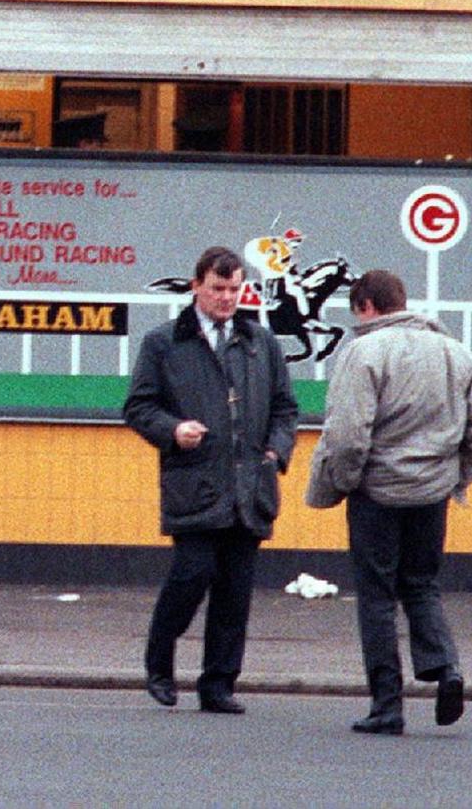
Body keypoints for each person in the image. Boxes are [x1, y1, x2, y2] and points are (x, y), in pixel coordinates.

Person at [304, 269, 472, 735]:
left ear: (367, 306)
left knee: (376, 597)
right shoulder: (456, 353)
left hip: (377, 495)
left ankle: (387, 706)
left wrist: (350, 482)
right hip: (431, 495)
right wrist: (456, 477)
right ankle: (445, 668)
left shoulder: (364, 353)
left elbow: (349, 436)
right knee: (422, 584)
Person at [124, 245, 297, 715]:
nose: (227, 298)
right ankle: (160, 658)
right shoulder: (165, 342)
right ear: (196, 285)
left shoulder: (261, 343)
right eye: (218, 288)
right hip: (195, 482)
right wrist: (172, 430)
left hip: (250, 486)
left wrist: (275, 451)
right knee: (192, 574)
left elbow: (285, 409)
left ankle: (218, 683)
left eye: (234, 288)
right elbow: (138, 407)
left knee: (235, 591)